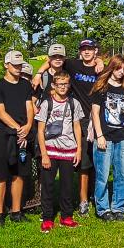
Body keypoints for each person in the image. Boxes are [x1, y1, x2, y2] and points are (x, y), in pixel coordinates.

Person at [33, 39, 103, 217]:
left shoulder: (101, 67)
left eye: (90, 49)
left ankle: (96, 196)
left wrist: (101, 61)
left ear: (95, 51)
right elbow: (53, 59)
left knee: (97, 160)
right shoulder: (72, 64)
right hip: (79, 119)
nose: (86, 52)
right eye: (83, 49)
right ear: (80, 51)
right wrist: (39, 72)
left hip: (96, 118)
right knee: (83, 165)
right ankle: (82, 200)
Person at [91, 55, 124, 222]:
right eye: (118, 68)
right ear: (111, 67)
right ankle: (103, 208)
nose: (121, 72)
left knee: (123, 173)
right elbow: (95, 113)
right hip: (105, 136)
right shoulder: (101, 86)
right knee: (103, 174)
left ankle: (118, 207)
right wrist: (100, 136)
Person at [35, 70, 83, 232]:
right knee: (48, 185)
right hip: (50, 150)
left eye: (66, 84)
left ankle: (66, 216)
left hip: (69, 150)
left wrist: (79, 149)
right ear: (54, 86)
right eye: (59, 84)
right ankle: (47, 217)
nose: (63, 87)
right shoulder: (46, 104)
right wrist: (44, 154)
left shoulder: (74, 103)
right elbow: (40, 130)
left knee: (67, 185)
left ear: (69, 85)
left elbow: (77, 126)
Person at [0, 50, 35, 226]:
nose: (18, 68)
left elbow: (30, 107)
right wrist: (18, 129)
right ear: (6, 65)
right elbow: (1, 112)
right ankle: (0, 214)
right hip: (5, 134)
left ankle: (16, 212)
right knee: (2, 176)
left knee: (20, 174)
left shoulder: (25, 85)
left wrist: (28, 126)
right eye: (15, 65)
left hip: (23, 134)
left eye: (20, 65)